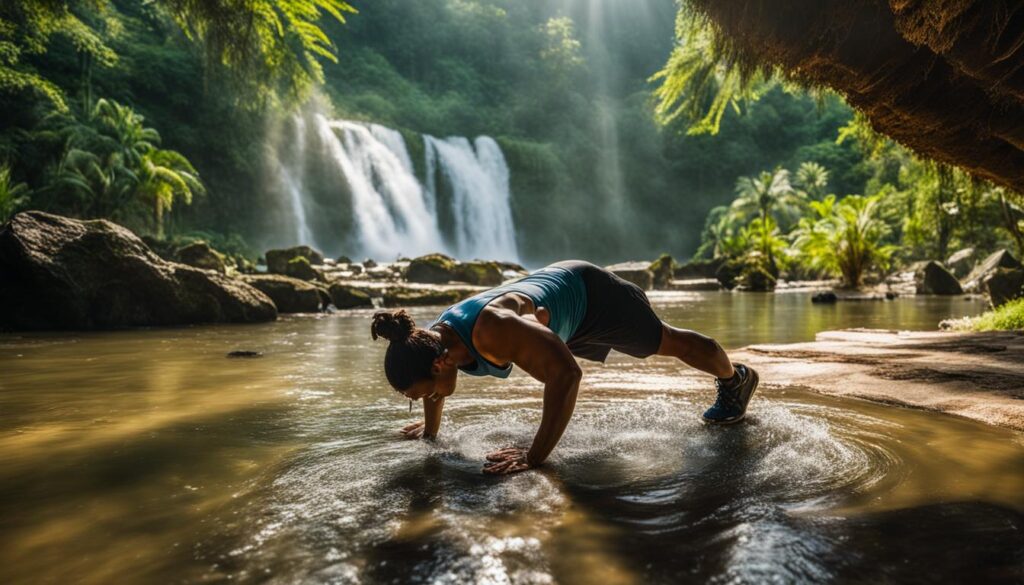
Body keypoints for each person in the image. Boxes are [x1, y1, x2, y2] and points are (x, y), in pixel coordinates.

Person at [370, 260, 758, 475]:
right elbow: (436, 388)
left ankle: (735, 378)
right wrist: (431, 433)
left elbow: (567, 375)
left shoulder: (494, 331)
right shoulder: (433, 340)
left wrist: (534, 456)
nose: (428, 400)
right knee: (552, 347)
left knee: (666, 342)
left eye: (419, 396)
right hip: (557, 311)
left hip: (593, 297)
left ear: (441, 364)